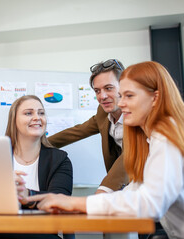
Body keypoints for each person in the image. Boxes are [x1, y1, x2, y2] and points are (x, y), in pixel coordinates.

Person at [27, 61, 184, 239]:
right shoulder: (156, 134)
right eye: (120, 95)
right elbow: (137, 189)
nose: (120, 103)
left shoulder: (168, 134)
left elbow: (149, 203)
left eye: (129, 96)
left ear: (155, 98)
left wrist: (77, 203)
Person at [0, 95, 73, 239]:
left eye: (41, 113)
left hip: (39, 233)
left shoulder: (59, 159)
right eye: (28, 113)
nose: (37, 117)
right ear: (14, 120)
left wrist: (27, 196)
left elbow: (60, 202)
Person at [48, 59, 128, 193]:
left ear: (124, 87)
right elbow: (77, 132)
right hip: (125, 187)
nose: (102, 96)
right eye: (97, 91)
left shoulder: (138, 115)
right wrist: (37, 145)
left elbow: (130, 156)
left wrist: (104, 190)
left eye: (109, 88)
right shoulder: (103, 112)